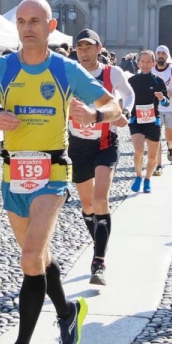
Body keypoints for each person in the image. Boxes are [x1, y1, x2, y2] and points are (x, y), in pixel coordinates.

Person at [0, 0, 122, 344]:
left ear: (51, 26)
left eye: (35, 21)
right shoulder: (1, 68)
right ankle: (67, 311)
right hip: (13, 174)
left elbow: (115, 107)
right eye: (22, 21)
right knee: (38, 258)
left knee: (29, 258)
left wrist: (94, 114)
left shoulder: (65, 69)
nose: (27, 28)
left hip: (53, 173)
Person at [68, 29, 133, 286]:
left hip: (105, 142)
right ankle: (100, 240)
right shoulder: (69, 73)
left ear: (99, 48)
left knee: (100, 199)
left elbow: (128, 93)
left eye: (88, 47)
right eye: (80, 48)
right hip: (78, 145)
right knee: (87, 205)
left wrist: (125, 111)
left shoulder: (111, 73)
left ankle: (98, 261)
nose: (84, 53)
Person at [127, 50, 168, 194]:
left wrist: (162, 98)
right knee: (139, 150)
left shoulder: (158, 81)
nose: (145, 64)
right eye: (142, 61)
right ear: (138, 63)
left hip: (153, 121)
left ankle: (148, 179)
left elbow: (167, 102)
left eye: (148, 62)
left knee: (152, 156)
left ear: (153, 63)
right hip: (136, 120)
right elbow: (125, 98)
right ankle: (138, 176)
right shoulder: (131, 81)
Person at [151, 46, 172, 174]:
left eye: (163, 53)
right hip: (156, 108)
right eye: (158, 53)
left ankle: (171, 148)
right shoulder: (151, 69)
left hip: (171, 107)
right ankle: (158, 165)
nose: (160, 55)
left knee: (170, 137)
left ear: (167, 55)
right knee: (156, 136)